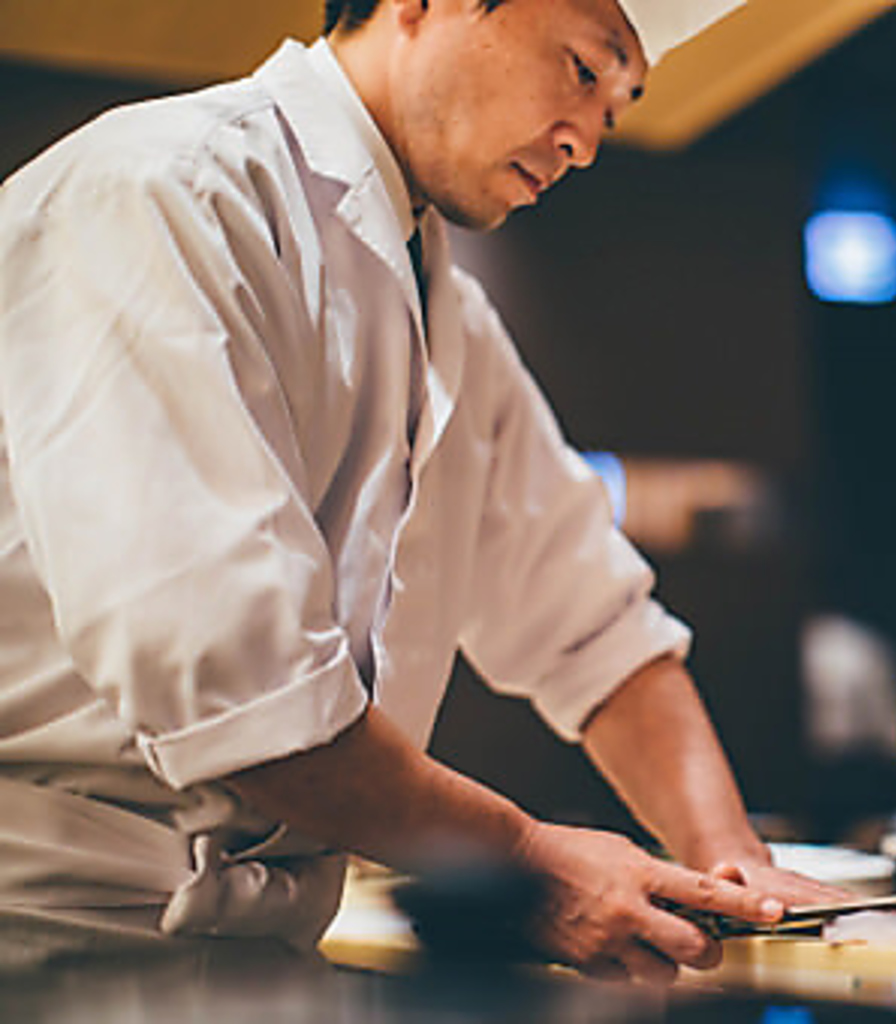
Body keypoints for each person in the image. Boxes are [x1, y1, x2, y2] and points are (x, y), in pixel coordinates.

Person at [0, 0, 840, 980]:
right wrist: (527, 856)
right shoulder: (159, 194)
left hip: (254, 958)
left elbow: (593, 625)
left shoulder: (444, 306)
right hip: (41, 938)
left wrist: (729, 859)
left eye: (614, 110)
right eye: (579, 69)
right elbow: (237, 693)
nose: (584, 142)